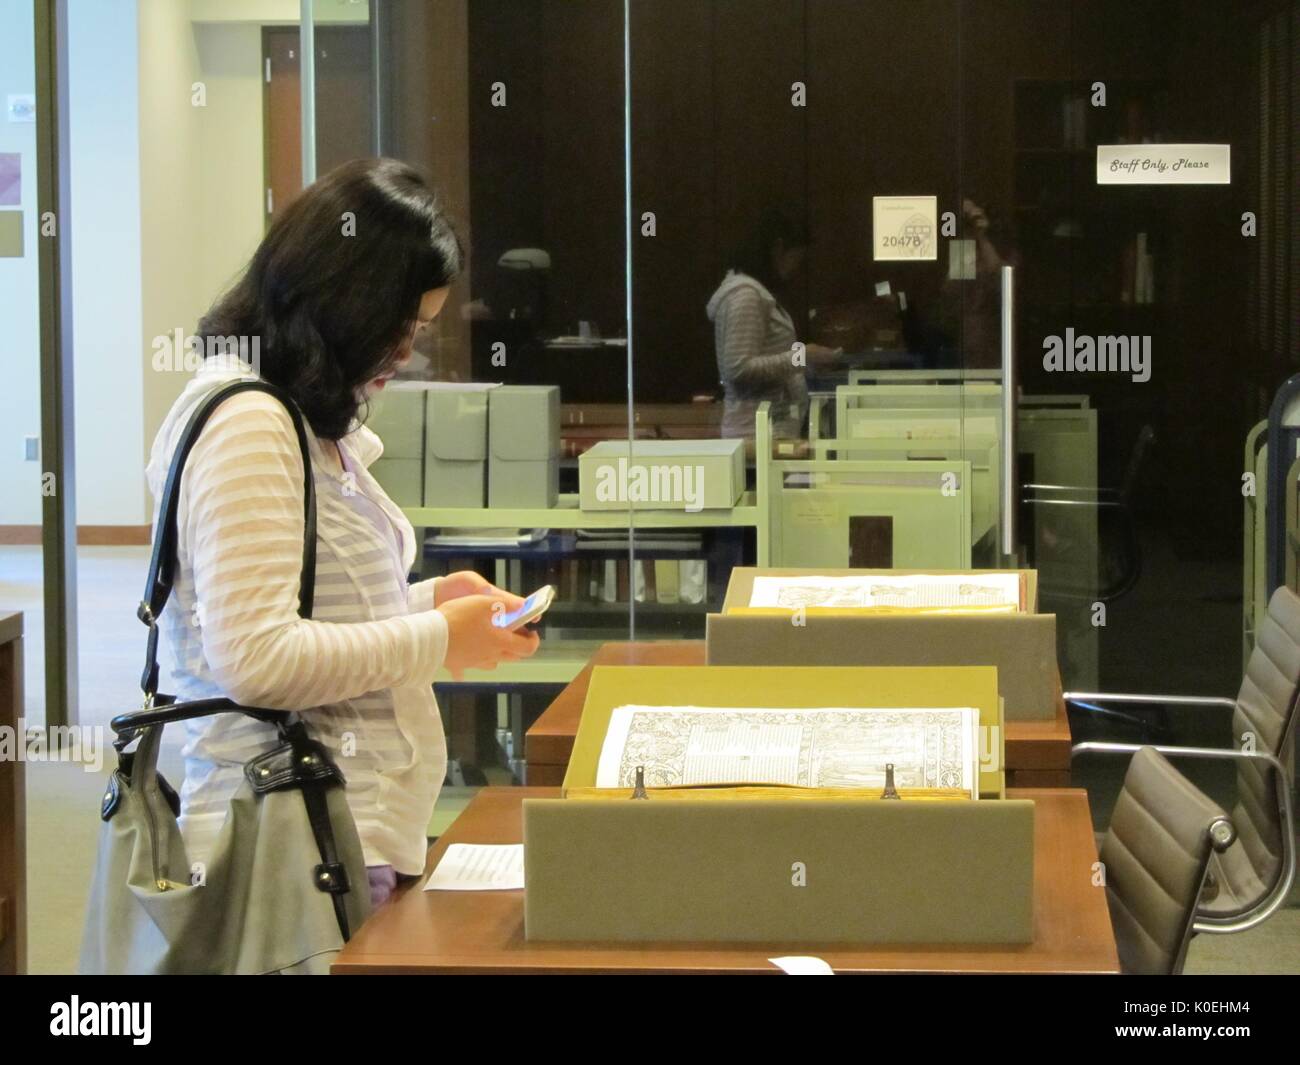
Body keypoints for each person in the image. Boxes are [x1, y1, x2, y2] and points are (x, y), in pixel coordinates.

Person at [145, 158, 538, 911]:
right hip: (286, 850)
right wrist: (436, 637)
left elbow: (302, 604)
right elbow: (256, 659)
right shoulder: (249, 423)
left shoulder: (288, 416)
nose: (404, 353)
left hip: (331, 838)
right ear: (342, 300)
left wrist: (425, 601)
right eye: (400, 327)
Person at [706, 207, 840, 439]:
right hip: (756, 433)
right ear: (778, 249)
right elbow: (737, 368)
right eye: (796, 257)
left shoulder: (756, 293)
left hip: (771, 429)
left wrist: (809, 359)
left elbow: (772, 354)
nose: (796, 267)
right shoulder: (745, 295)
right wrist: (802, 356)